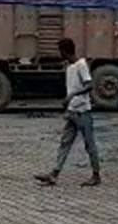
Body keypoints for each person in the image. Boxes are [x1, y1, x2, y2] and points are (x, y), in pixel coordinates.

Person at [35, 38, 101, 187]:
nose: (59, 55)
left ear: (65, 51)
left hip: (83, 111)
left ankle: (96, 175)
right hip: (72, 111)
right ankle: (54, 174)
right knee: (65, 143)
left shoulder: (81, 65)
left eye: (60, 51)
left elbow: (89, 85)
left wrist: (72, 95)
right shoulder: (70, 67)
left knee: (89, 144)